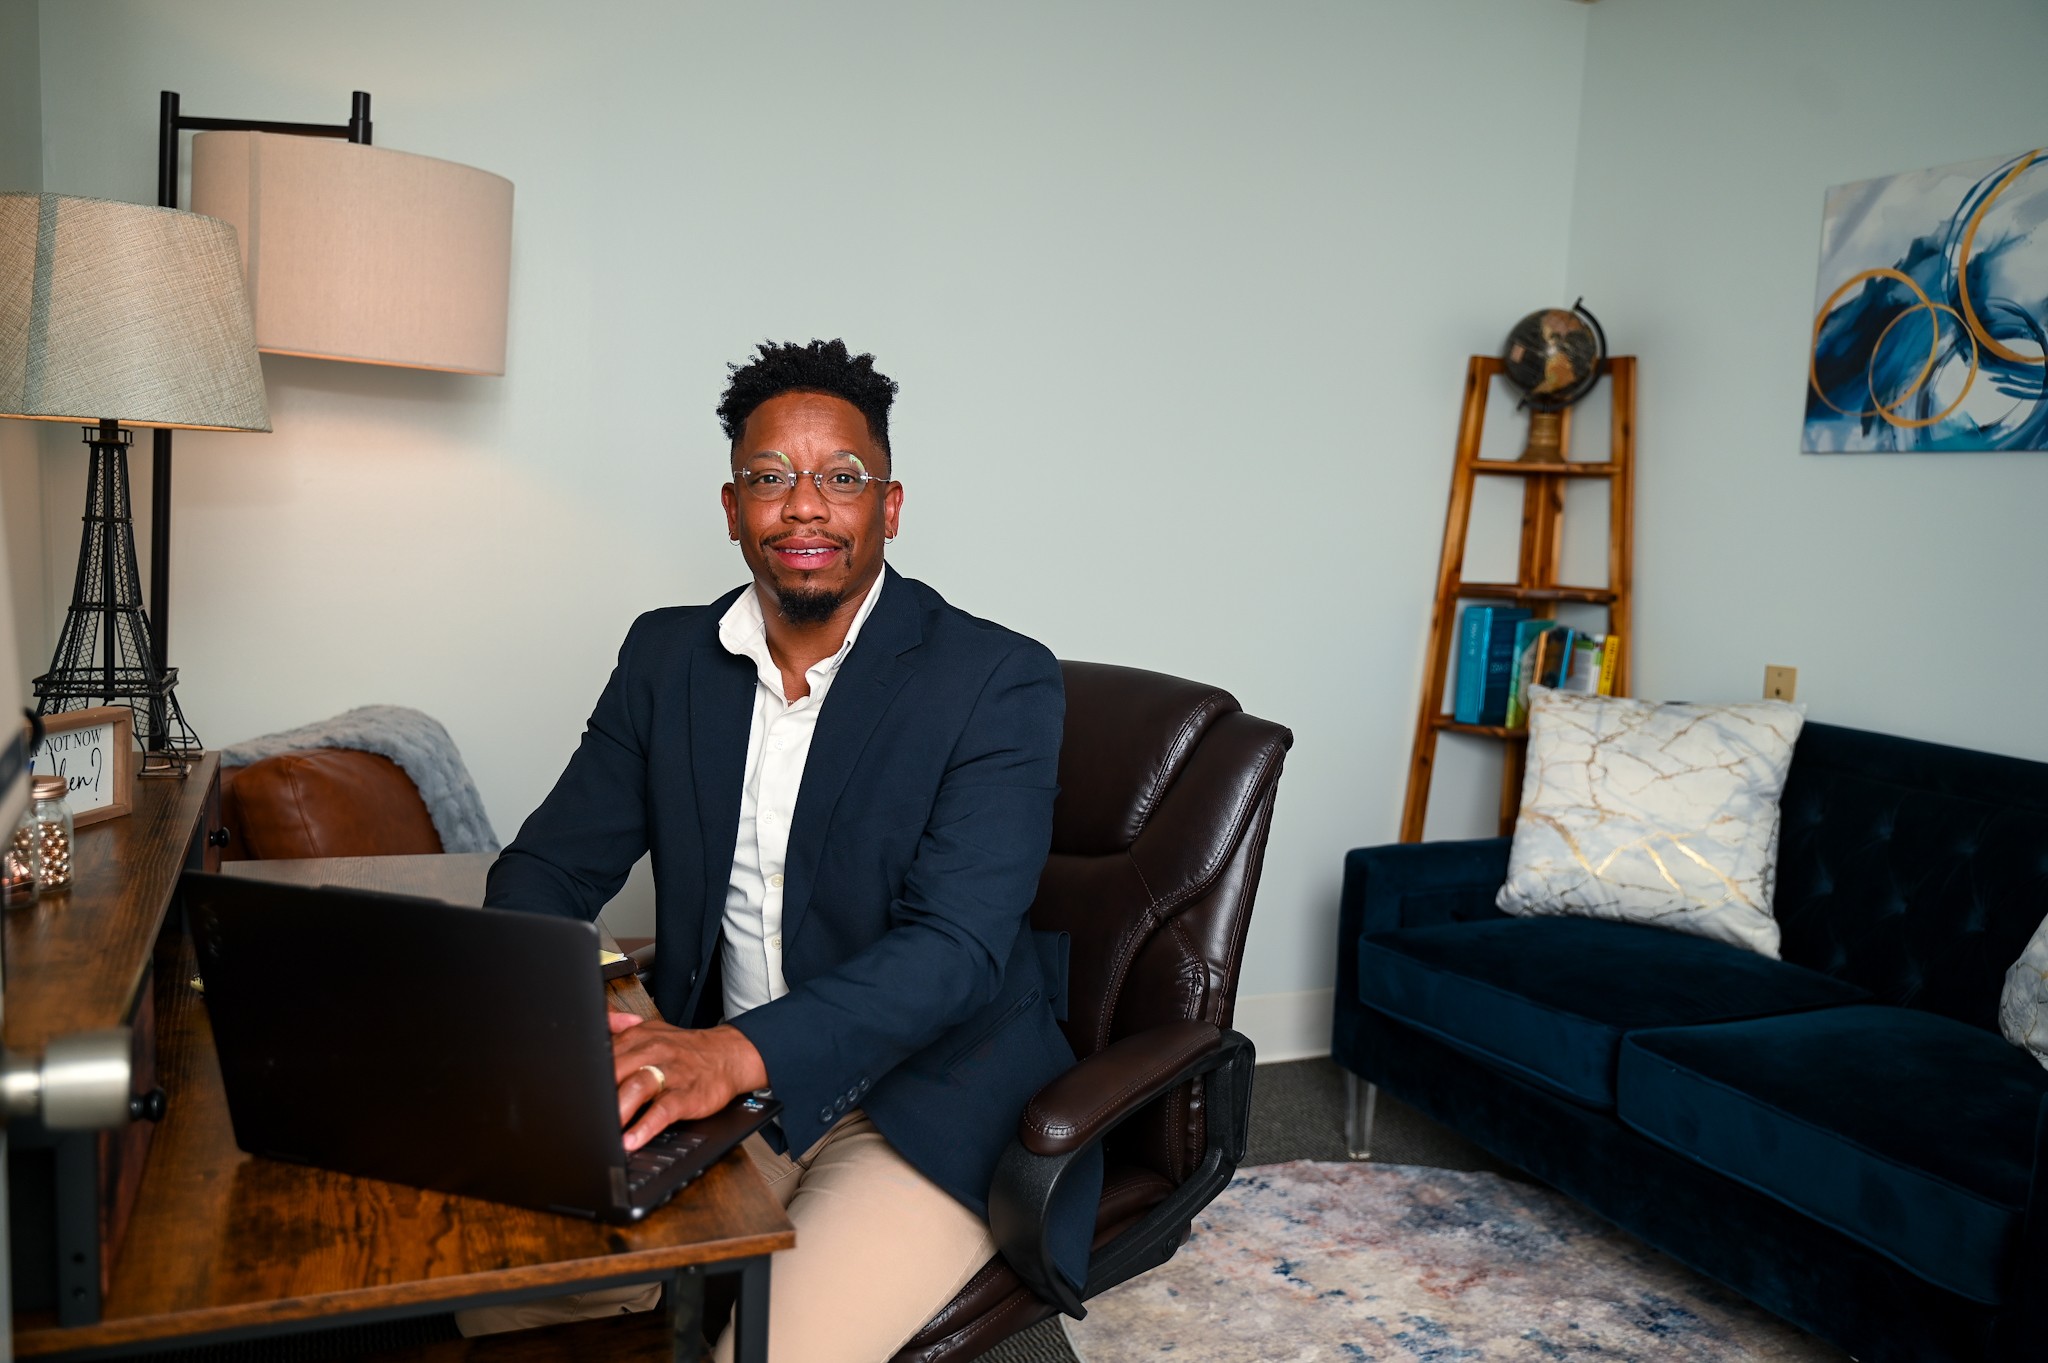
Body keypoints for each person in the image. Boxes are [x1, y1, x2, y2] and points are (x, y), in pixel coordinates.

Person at [483, 339, 1096, 1362]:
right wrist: (575, 1014)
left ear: (889, 506)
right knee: (495, 1281)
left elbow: (953, 950)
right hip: (725, 1085)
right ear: (733, 509)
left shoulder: (995, 679)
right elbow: (546, 867)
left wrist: (725, 1054)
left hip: (919, 1099)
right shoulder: (665, 658)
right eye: (770, 478)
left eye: (840, 479)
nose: (804, 507)